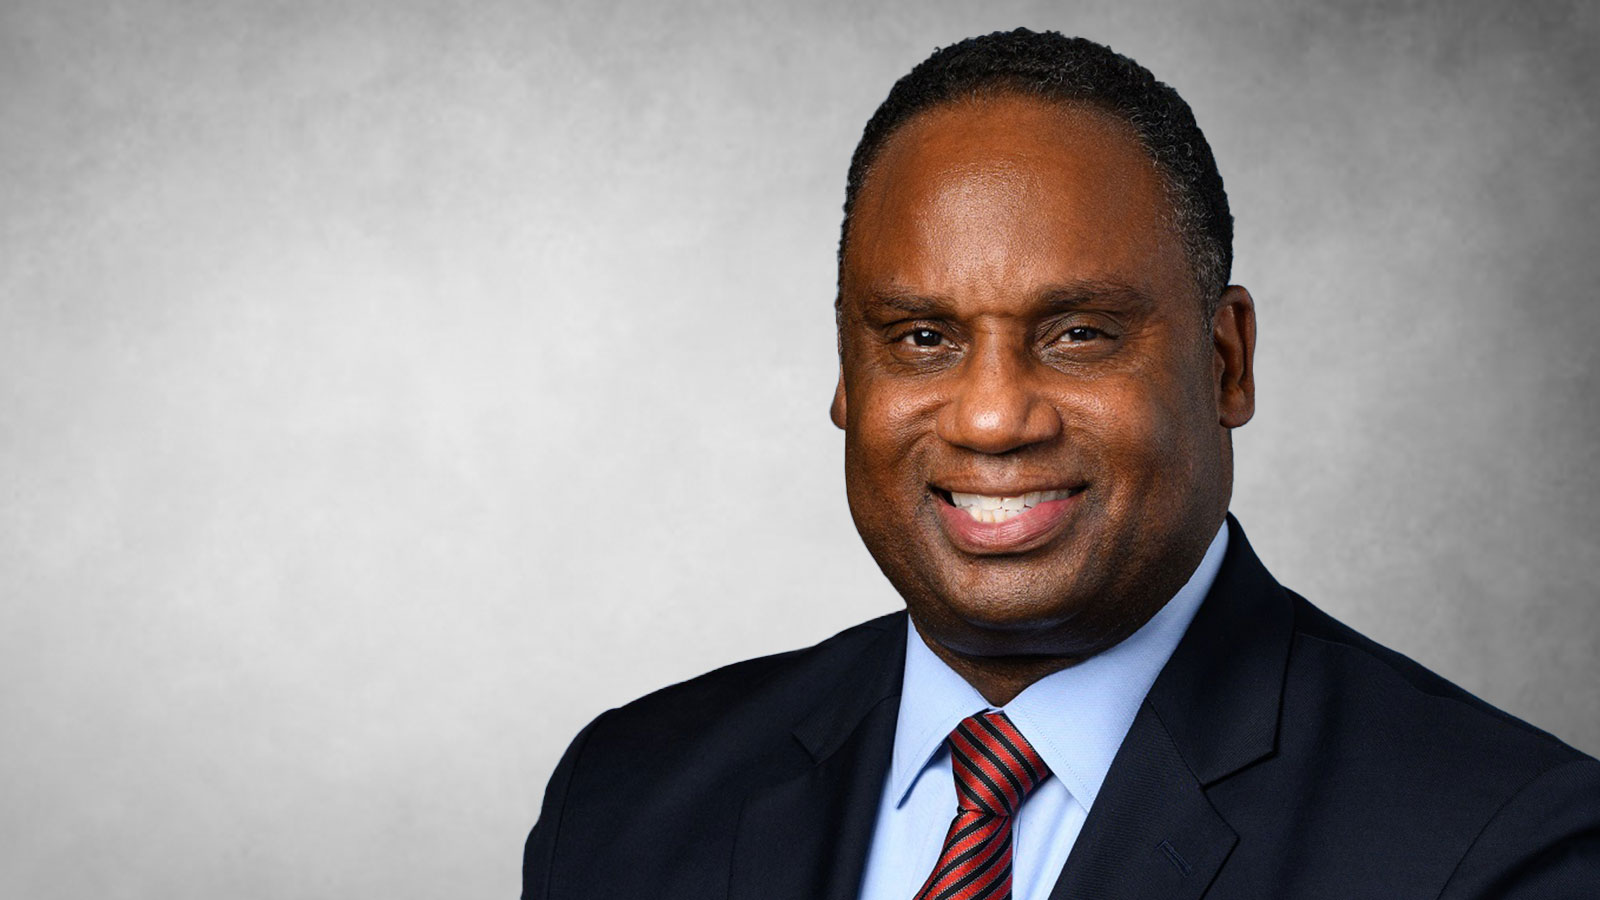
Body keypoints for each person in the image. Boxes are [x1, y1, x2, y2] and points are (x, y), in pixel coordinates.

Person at [521, 29, 1600, 899]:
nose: (993, 419)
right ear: (847, 376)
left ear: (1225, 362)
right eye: (921, 338)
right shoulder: (625, 799)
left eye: (1079, 334)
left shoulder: (1502, 848)